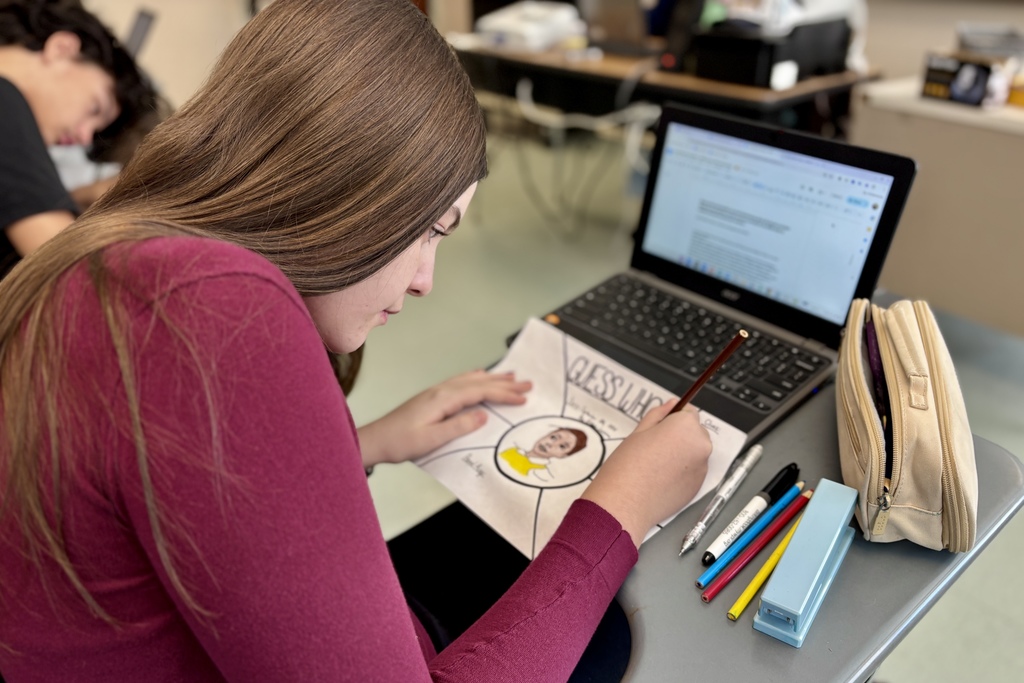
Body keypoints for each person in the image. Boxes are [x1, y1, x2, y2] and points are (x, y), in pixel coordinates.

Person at [0, 0, 713, 681]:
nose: (428, 279)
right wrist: (624, 504)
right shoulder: (214, 313)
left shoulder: (109, 260)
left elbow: (162, 481)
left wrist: (358, 445)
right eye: (433, 229)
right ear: (356, 184)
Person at [0, 0, 156, 275]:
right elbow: (72, 269)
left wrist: (87, 195)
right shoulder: (6, 99)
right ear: (62, 48)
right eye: (95, 109)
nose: (83, 136)